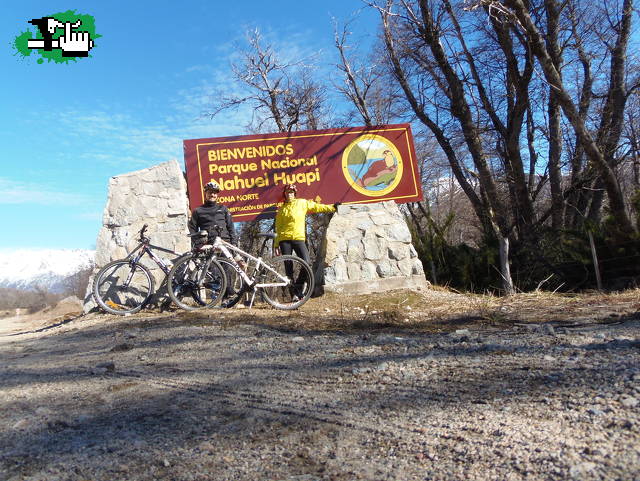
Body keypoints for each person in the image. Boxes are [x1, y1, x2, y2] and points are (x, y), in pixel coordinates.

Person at [188, 180, 237, 246]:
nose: (212, 195)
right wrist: (197, 243)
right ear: (205, 193)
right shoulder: (198, 211)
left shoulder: (223, 208)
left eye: (215, 193)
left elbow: (231, 227)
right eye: (210, 192)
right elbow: (192, 229)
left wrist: (234, 243)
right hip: (208, 245)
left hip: (226, 243)